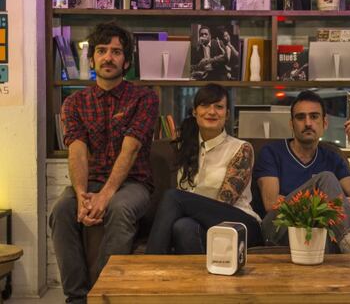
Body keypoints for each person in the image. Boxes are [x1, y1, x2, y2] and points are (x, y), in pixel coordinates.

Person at [253, 90, 350, 291]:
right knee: (327, 178)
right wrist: (335, 202)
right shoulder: (272, 152)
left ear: (324, 123)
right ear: (291, 124)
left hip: (321, 229)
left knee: (325, 215)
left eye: (314, 116)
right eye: (300, 117)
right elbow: (272, 204)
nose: (308, 123)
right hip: (277, 228)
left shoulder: (332, 157)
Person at [49, 22, 159, 304]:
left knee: (119, 209)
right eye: (102, 51)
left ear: (127, 61)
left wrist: (106, 194)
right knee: (62, 208)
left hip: (133, 184)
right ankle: (77, 298)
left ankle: (99, 296)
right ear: (92, 58)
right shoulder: (74, 103)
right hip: (91, 181)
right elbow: (77, 152)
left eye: (117, 52)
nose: (108, 57)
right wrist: (83, 194)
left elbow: (131, 149)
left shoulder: (144, 98)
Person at [146, 84, 262, 254]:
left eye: (219, 107)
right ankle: (195, 280)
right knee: (183, 227)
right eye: (205, 105)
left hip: (240, 224)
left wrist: (182, 204)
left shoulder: (241, 149)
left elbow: (224, 204)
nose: (212, 111)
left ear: (227, 114)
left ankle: (149, 264)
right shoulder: (186, 147)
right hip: (201, 224)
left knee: (173, 197)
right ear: (194, 112)